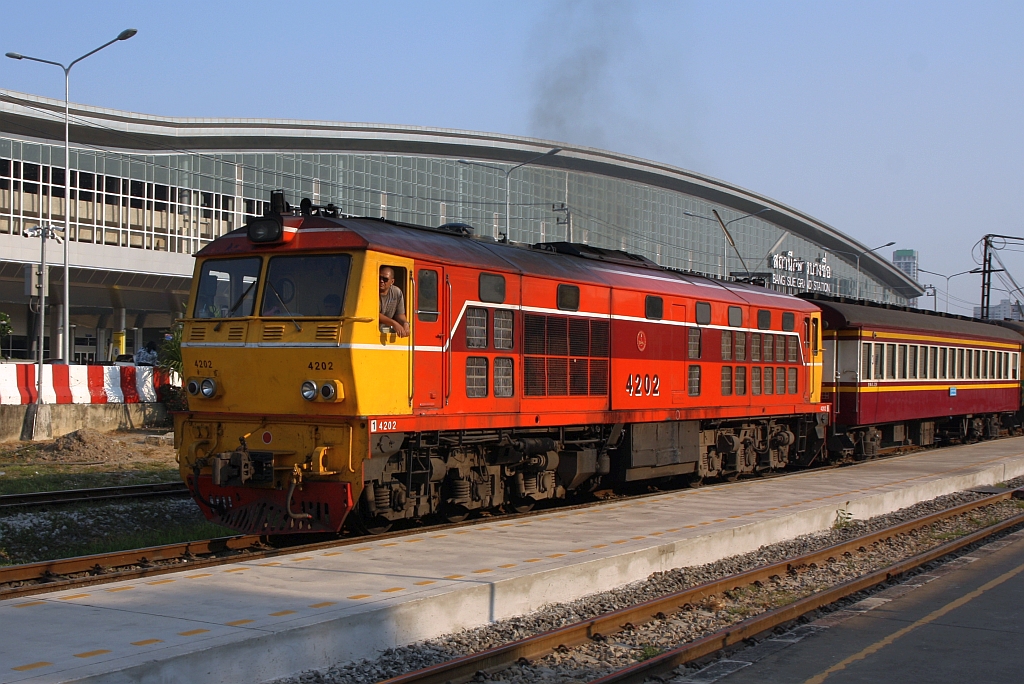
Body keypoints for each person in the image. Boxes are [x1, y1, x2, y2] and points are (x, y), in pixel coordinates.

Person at [378, 266, 409, 337]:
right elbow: (374, 314)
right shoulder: (371, 290)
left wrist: (405, 323)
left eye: (385, 279)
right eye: (379, 278)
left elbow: (399, 314)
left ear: (392, 281)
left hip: (387, 334)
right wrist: (394, 323)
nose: (381, 281)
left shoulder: (397, 292)